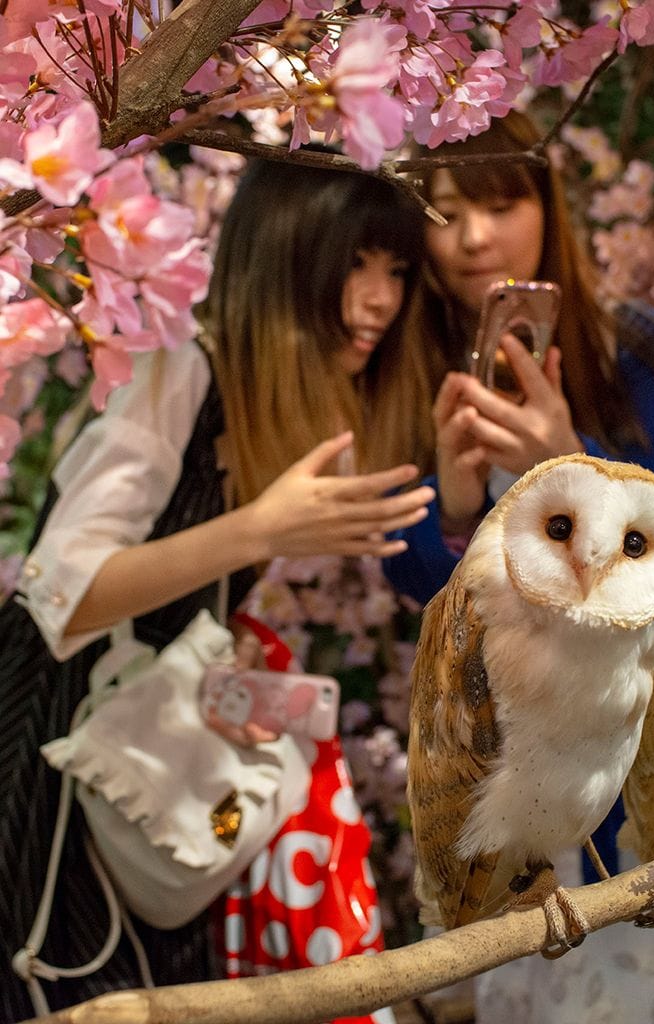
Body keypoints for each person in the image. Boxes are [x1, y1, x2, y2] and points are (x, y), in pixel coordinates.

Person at [0, 158, 435, 1019]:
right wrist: (260, 531)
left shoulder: (255, 398)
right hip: (49, 760)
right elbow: (61, 593)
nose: (380, 301)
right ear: (285, 253)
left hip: (136, 764)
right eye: (353, 263)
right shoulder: (178, 369)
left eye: (396, 271)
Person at [382, 111, 654, 1023]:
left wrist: (575, 457)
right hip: (510, 752)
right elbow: (416, 595)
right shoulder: (413, 366)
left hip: (641, 740)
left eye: (501, 202)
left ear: (548, 203)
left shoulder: (642, 352)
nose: (476, 236)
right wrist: (453, 507)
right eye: (447, 212)